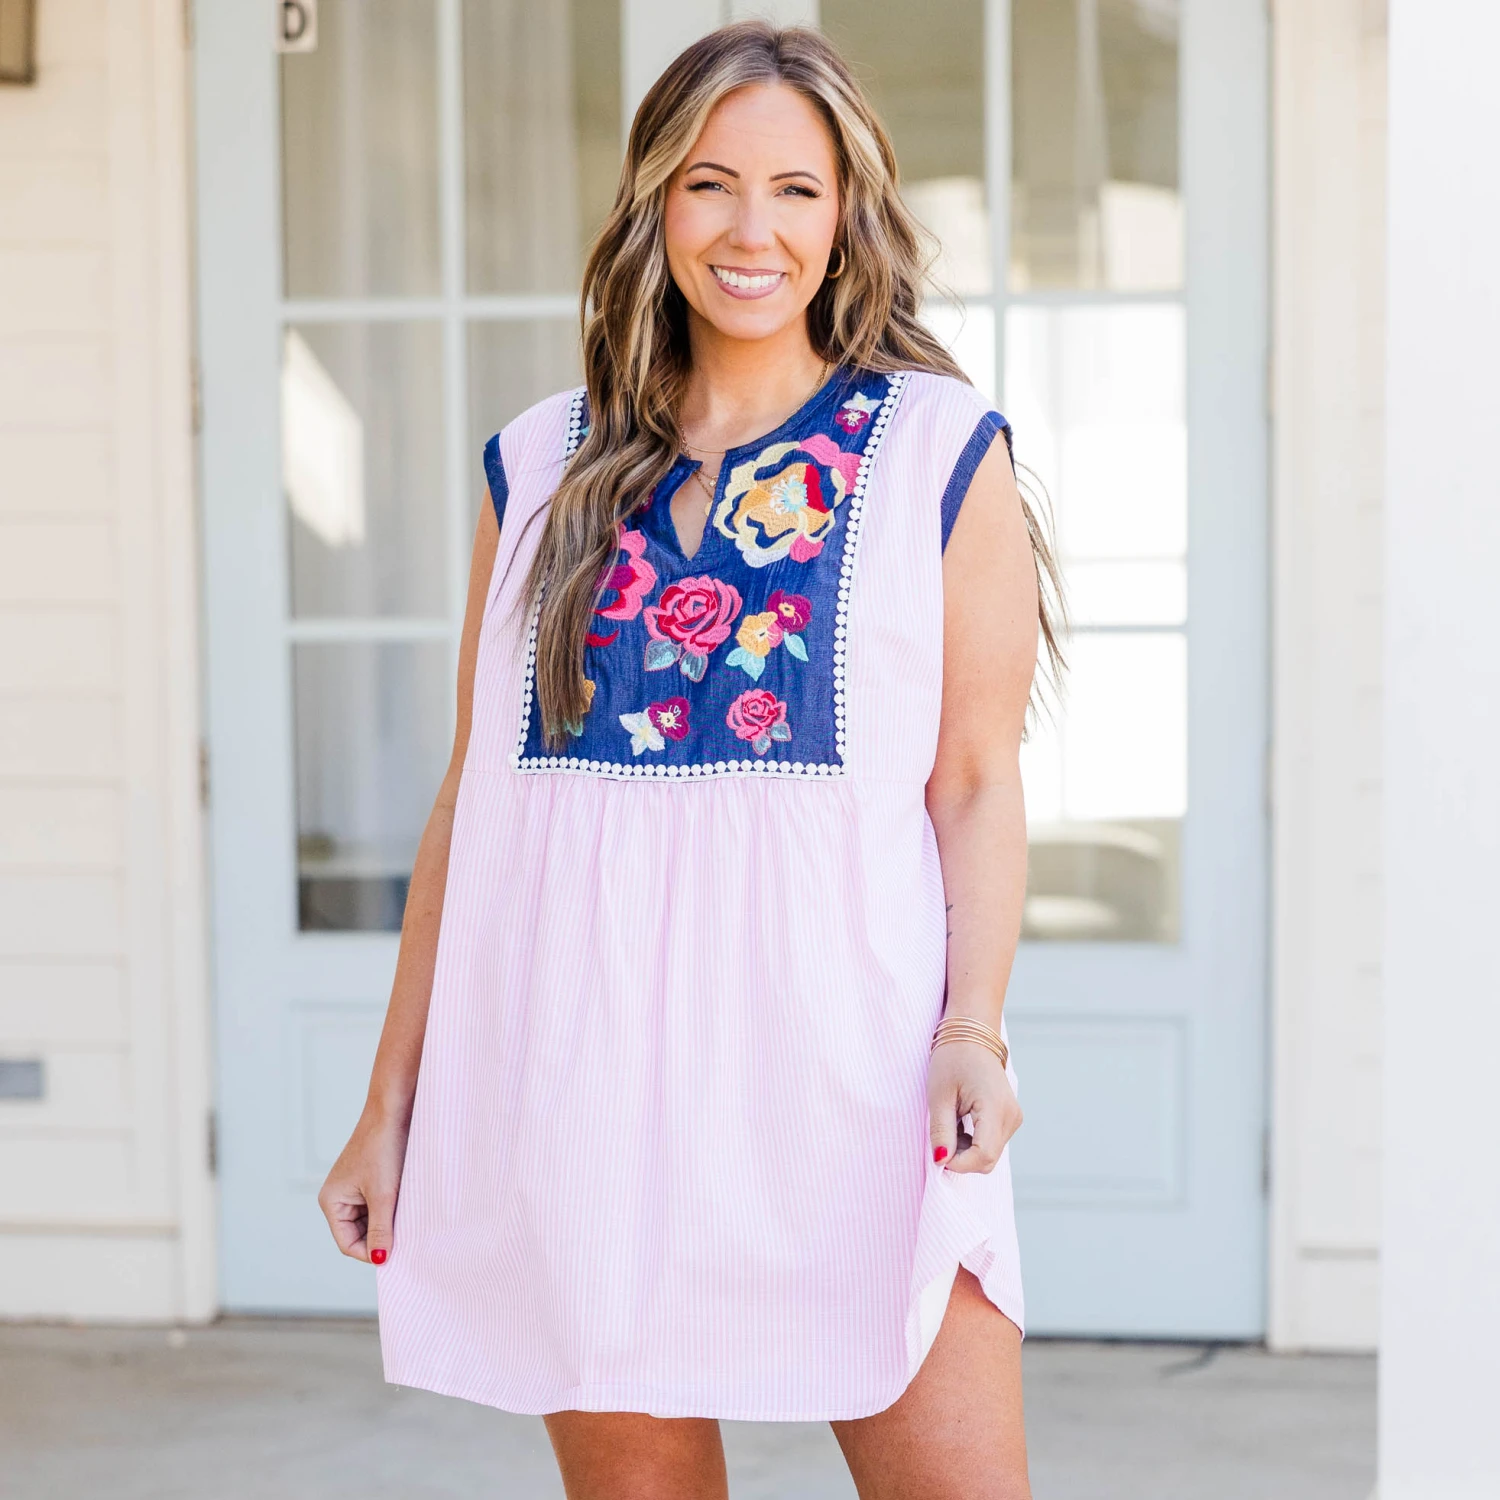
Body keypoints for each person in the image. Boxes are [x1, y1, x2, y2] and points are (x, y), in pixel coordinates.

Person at [319, 20, 1062, 1500]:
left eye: (797, 189)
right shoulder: (536, 464)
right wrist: (389, 1100)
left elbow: (973, 781)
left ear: (847, 213)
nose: (751, 230)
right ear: (654, 203)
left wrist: (971, 1027)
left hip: (847, 1094)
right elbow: (478, 802)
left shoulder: (934, 449)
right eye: (712, 183)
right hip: (582, 1093)